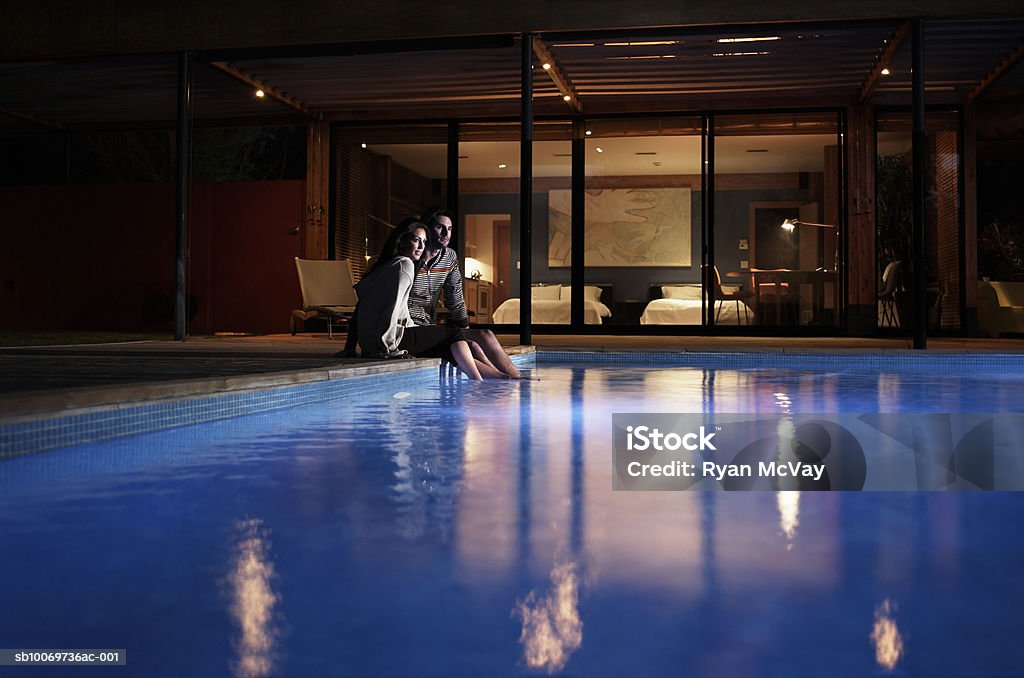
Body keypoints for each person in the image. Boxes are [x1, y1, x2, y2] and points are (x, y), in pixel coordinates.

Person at [351, 218, 507, 380]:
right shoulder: (404, 266)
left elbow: (360, 308)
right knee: (453, 333)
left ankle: (500, 378)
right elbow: (391, 309)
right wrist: (388, 350)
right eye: (416, 240)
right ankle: (478, 381)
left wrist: (350, 347)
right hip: (387, 342)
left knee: (447, 347)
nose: (421, 247)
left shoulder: (384, 266)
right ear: (402, 240)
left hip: (371, 342)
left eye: (424, 242)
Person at [413, 209, 523, 379]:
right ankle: (501, 381)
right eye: (439, 228)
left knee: (485, 335)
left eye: (449, 229)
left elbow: (455, 296)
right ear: (427, 229)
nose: (445, 233)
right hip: (410, 329)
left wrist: (463, 328)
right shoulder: (410, 260)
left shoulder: (449, 257)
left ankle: (518, 380)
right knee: (472, 347)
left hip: (430, 325)